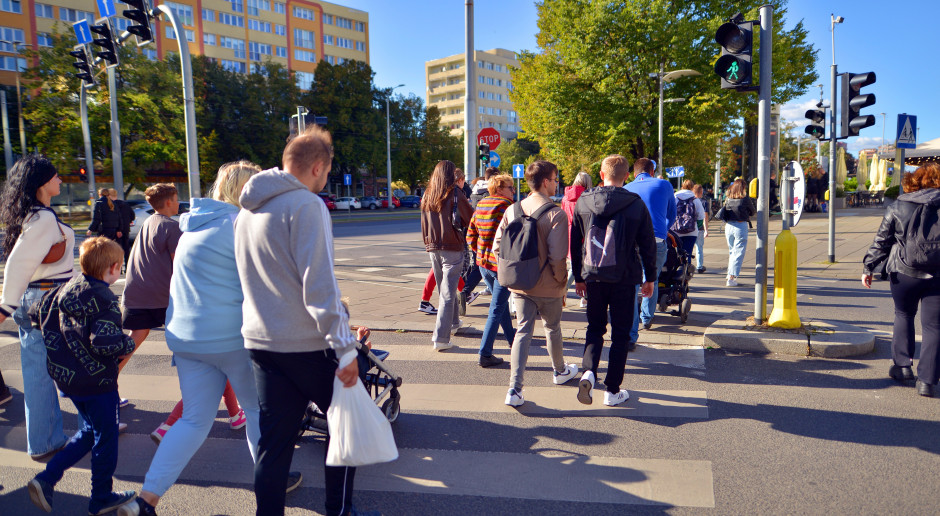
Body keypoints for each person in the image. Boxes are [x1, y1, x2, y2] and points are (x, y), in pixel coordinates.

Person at [119, 162, 302, 516]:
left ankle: (146, 500)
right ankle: (272, 482)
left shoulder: (192, 225)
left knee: (193, 421)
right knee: (257, 410)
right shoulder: (242, 224)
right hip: (232, 338)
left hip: (187, 337)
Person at [234, 125, 372, 516]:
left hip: (261, 341)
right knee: (345, 426)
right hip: (307, 344)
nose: (325, 179)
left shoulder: (247, 212)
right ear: (316, 167)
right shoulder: (307, 206)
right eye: (327, 172)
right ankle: (339, 511)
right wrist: (346, 350)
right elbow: (320, 287)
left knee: (274, 444)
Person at [27, 237, 137, 515]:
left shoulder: (64, 288)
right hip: (98, 382)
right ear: (113, 268)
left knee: (89, 430)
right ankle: (101, 497)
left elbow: (35, 314)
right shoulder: (105, 299)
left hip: (68, 378)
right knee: (106, 438)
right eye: (120, 266)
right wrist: (128, 343)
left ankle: (47, 478)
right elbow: (104, 343)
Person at [0, 154, 74, 461]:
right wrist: (5, 306)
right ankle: (93, 426)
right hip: (46, 300)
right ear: (42, 182)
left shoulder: (33, 215)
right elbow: (18, 264)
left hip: (37, 299)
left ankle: (45, 440)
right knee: (69, 367)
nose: (60, 180)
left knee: (39, 373)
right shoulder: (42, 219)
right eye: (55, 176)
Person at [570, 155, 657, 406]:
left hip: (593, 276)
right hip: (624, 277)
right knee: (620, 334)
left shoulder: (583, 201)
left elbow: (575, 243)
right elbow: (647, 244)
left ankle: (588, 371)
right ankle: (612, 390)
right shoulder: (635, 203)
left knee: (595, 328)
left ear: (601, 174)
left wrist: (579, 277)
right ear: (627, 176)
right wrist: (650, 277)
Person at [495, 160, 578, 407]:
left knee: (523, 331)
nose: (557, 183)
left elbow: (498, 247)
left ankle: (515, 389)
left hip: (520, 283)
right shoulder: (556, 214)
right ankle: (560, 371)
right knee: (552, 328)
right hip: (549, 286)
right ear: (545, 182)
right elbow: (557, 257)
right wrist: (562, 283)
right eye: (555, 179)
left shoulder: (513, 210)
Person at [862, 163, 940, 397]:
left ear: (915, 180)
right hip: (938, 273)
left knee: (903, 315)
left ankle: (902, 367)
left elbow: (882, 240)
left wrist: (869, 267)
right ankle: (927, 381)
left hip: (903, 271)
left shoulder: (899, 205)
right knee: (934, 326)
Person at [119, 184, 182, 379]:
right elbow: (179, 264)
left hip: (137, 291)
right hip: (161, 295)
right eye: (177, 199)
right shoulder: (171, 227)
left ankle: (108, 380)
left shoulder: (149, 222)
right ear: (169, 202)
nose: (179, 203)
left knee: (137, 334)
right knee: (185, 341)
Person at [421, 160, 474, 351]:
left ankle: (453, 322)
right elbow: (470, 217)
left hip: (432, 246)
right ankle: (441, 338)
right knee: (448, 293)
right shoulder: (454, 193)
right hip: (452, 245)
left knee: (444, 290)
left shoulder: (427, 194)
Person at [466, 173, 516, 367]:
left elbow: (470, 235)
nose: (513, 191)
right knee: (496, 309)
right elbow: (514, 238)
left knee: (500, 306)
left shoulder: (481, 204)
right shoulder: (506, 207)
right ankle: (485, 353)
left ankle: (513, 341)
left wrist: (480, 252)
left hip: (483, 264)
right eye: (510, 187)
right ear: (499, 189)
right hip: (500, 265)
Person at [624, 158, 676, 337]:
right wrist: (662, 231)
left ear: (634, 173)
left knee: (631, 284)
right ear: (652, 171)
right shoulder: (664, 185)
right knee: (651, 278)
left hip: (632, 241)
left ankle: (631, 333)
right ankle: (646, 318)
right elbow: (672, 214)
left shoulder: (626, 188)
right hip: (656, 240)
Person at [562, 171, 593, 308]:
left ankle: (564, 291)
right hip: (584, 232)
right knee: (584, 266)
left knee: (574, 263)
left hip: (569, 232)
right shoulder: (588, 197)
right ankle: (583, 297)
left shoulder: (565, 197)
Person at [720, 179, 755, 287]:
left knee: (732, 251)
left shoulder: (728, 198)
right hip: (740, 226)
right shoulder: (745, 199)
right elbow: (753, 211)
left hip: (729, 226)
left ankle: (729, 274)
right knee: (738, 252)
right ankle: (731, 278)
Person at [672, 179, 706, 261]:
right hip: (691, 232)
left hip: (675, 231)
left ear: (682, 186)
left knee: (676, 254)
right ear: (692, 188)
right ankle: (687, 267)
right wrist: (695, 226)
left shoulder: (674, 198)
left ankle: (677, 267)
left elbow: (669, 213)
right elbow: (701, 217)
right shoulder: (695, 200)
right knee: (688, 253)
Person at [109, 188, 134, 270]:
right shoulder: (125, 204)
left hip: (115, 229)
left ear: (109, 196)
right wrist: (128, 221)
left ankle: (118, 267)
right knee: (126, 248)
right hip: (126, 229)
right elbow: (132, 215)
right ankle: (128, 266)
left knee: (116, 249)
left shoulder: (111, 205)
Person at [693, 184, 710, 273]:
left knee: (688, 248)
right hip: (699, 228)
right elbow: (705, 217)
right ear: (701, 192)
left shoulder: (691, 201)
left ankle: (686, 265)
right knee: (699, 248)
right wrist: (706, 230)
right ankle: (699, 266)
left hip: (690, 228)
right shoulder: (704, 202)